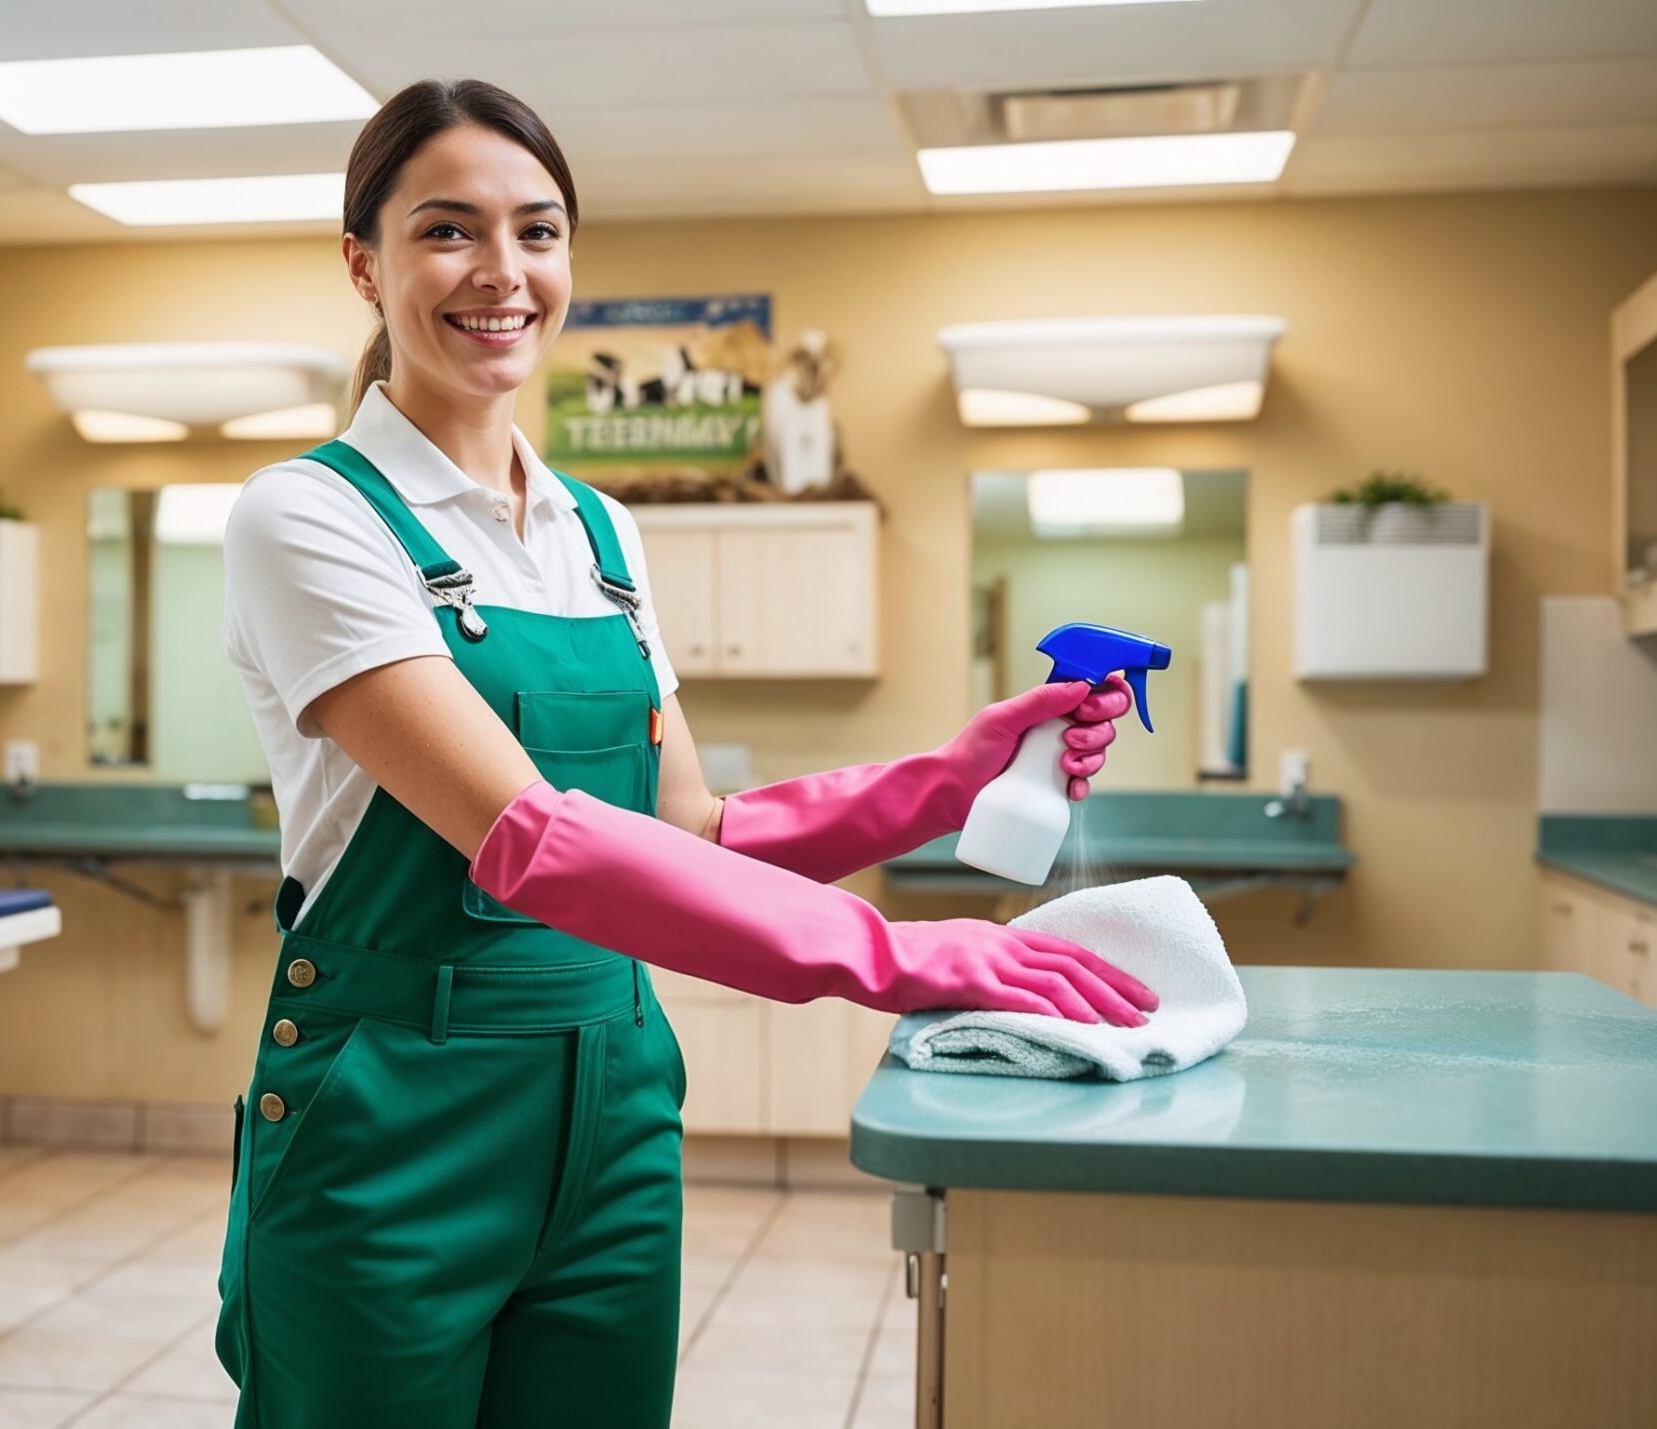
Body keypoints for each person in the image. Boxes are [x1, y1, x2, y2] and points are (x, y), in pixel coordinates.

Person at [213, 78, 1153, 1429]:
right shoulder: (305, 518)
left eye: (538, 232)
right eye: (447, 231)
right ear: (362, 261)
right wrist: (901, 958)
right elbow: (528, 836)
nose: (502, 272)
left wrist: (946, 780)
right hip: (392, 1120)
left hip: (610, 1117)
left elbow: (690, 828)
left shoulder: (599, 535)